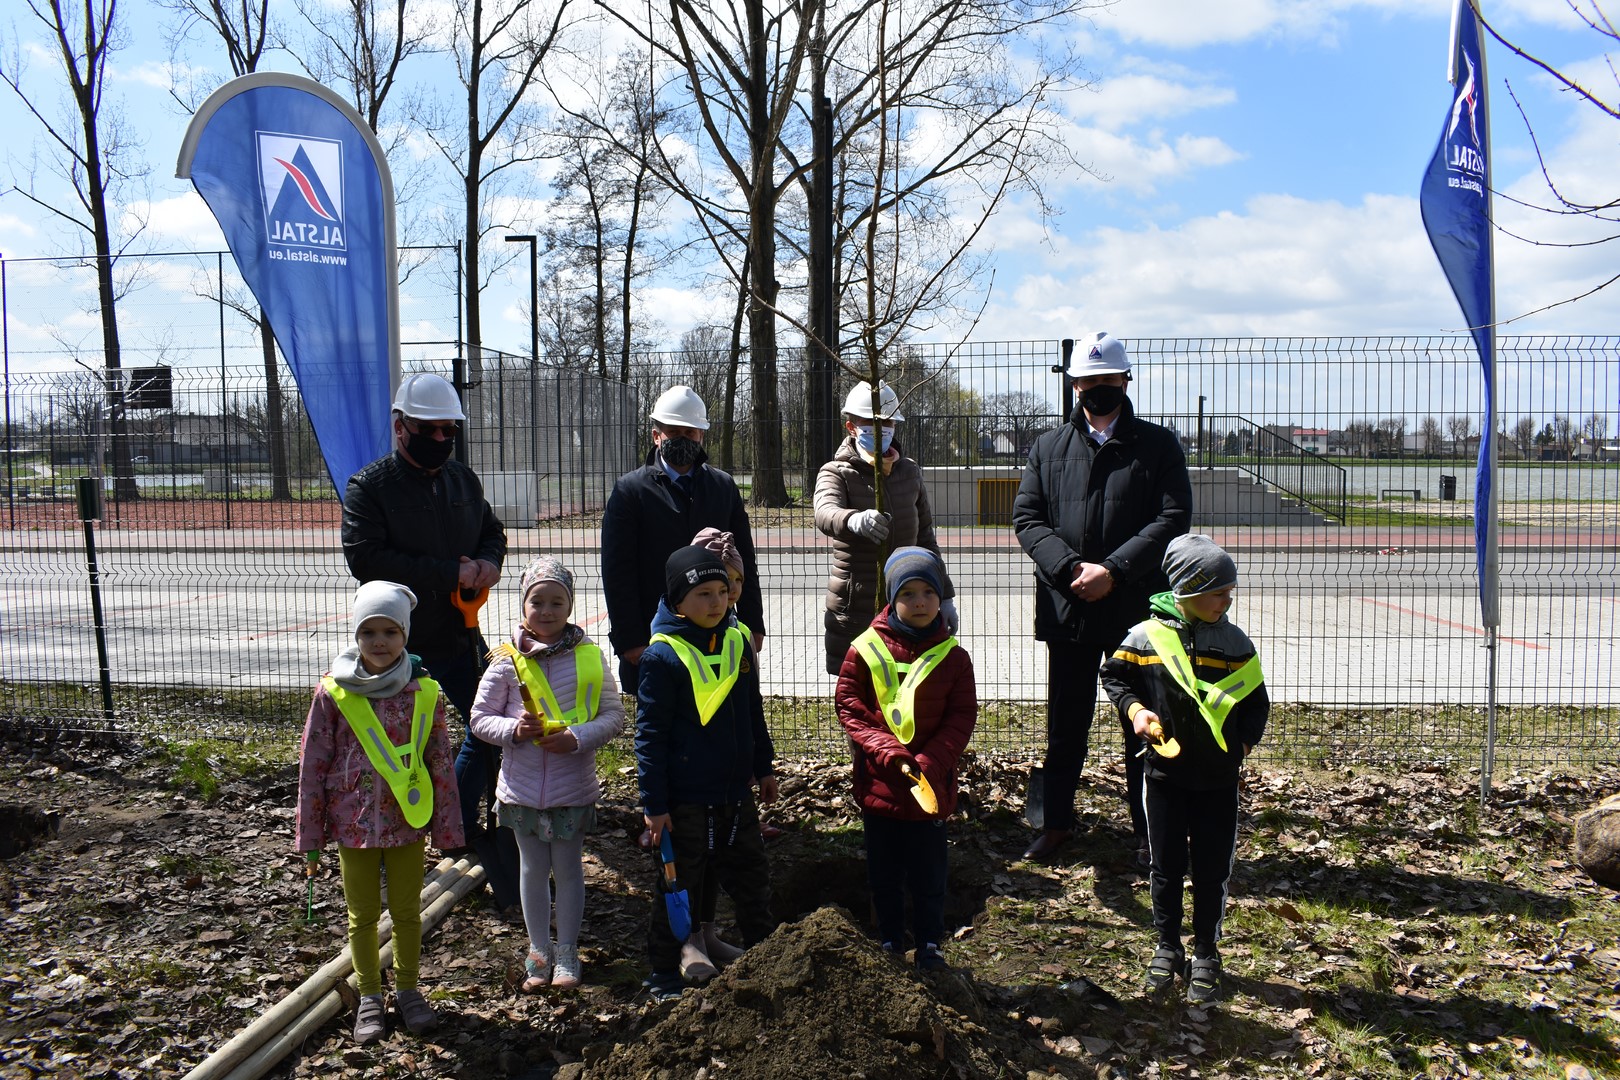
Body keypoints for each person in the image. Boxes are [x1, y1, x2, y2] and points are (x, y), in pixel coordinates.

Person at [1012, 331, 1191, 863]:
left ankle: (1149, 829)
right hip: (1067, 609)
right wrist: (1070, 570)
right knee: (1065, 724)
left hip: (1133, 610)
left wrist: (1114, 571)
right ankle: (1056, 825)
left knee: (1143, 722)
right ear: (1074, 386)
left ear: (1126, 381)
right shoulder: (1048, 447)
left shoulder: (1157, 445)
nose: (1096, 390)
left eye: (1106, 381)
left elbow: (1173, 517)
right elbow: (1027, 517)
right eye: (1086, 382)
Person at [1100, 534, 1268, 1003]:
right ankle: (1167, 946)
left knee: (1213, 870)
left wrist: (1242, 745)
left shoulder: (1235, 643)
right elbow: (1114, 674)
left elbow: (1256, 702)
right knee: (1166, 866)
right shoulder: (1144, 637)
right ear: (1189, 589)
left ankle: (1207, 952)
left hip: (1218, 783)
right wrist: (1135, 711)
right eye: (1218, 591)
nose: (1227, 600)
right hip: (1164, 780)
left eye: (1229, 591)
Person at [296, 581, 465, 1044]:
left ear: (405, 635)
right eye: (368, 631)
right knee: (362, 915)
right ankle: (370, 994)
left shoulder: (423, 692)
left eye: (390, 631)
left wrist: (448, 828)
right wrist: (310, 837)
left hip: (406, 820)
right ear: (355, 635)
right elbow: (313, 765)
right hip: (353, 825)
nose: (379, 642)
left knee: (408, 912)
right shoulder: (333, 692)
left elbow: (439, 760)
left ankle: (409, 989)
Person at [341, 372, 508, 838]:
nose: (440, 439)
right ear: (400, 427)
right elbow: (366, 558)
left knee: (487, 729)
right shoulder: (370, 487)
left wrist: (489, 563)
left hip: (460, 636)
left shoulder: (462, 481)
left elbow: (492, 533)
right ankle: (409, 830)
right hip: (398, 648)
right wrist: (448, 573)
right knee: (401, 750)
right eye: (428, 429)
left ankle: (455, 824)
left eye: (448, 430)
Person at [469, 556, 625, 992]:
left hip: (571, 788)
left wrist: (576, 737)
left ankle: (568, 951)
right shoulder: (504, 661)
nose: (548, 611)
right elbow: (479, 720)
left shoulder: (590, 658)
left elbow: (613, 717)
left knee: (569, 869)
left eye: (558, 601)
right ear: (523, 606)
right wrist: (514, 731)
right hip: (519, 789)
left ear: (570, 606)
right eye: (538, 601)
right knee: (532, 870)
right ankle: (539, 950)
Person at [635, 547, 778, 999]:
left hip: (735, 792)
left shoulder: (736, 640)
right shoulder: (662, 658)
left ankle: (773, 958)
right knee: (680, 884)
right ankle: (662, 972)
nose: (717, 602)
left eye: (723, 591)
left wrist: (764, 766)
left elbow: (752, 711)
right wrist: (655, 805)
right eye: (703, 594)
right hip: (686, 799)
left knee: (752, 876)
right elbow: (650, 737)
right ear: (678, 601)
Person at [835, 547, 976, 971]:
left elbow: (961, 717)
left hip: (930, 789)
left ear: (941, 598)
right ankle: (891, 941)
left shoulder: (954, 658)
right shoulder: (865, 650)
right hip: (880, 784)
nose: (919, 602)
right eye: (908, 593)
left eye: (929, 592)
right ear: (891, 597)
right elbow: (850, 705)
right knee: (884, 874)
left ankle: (930, 942)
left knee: (929, 873)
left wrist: (930, 763)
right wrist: (889, 753)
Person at [601, 385, 765, 690]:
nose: (683, 439)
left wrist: (753, 623)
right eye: (673, 431)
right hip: (655, 636)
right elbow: (617, 572)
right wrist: (631, 641)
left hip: (715, 629)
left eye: (690, 433)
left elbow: (745, 560)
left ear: (702, 435)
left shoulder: (722, 487)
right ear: (656, 435)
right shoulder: (630, 491)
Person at [814, 381, 955, 675]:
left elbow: (926, 537)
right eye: (870, 423)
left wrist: (944, 595)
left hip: (906, 604)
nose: (881, 429)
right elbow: (825, 512)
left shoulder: (909, 472)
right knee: (860, 691)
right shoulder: (837, 471)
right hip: (856, 603)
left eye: (887, 422)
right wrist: (853, 519)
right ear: (851, 427)